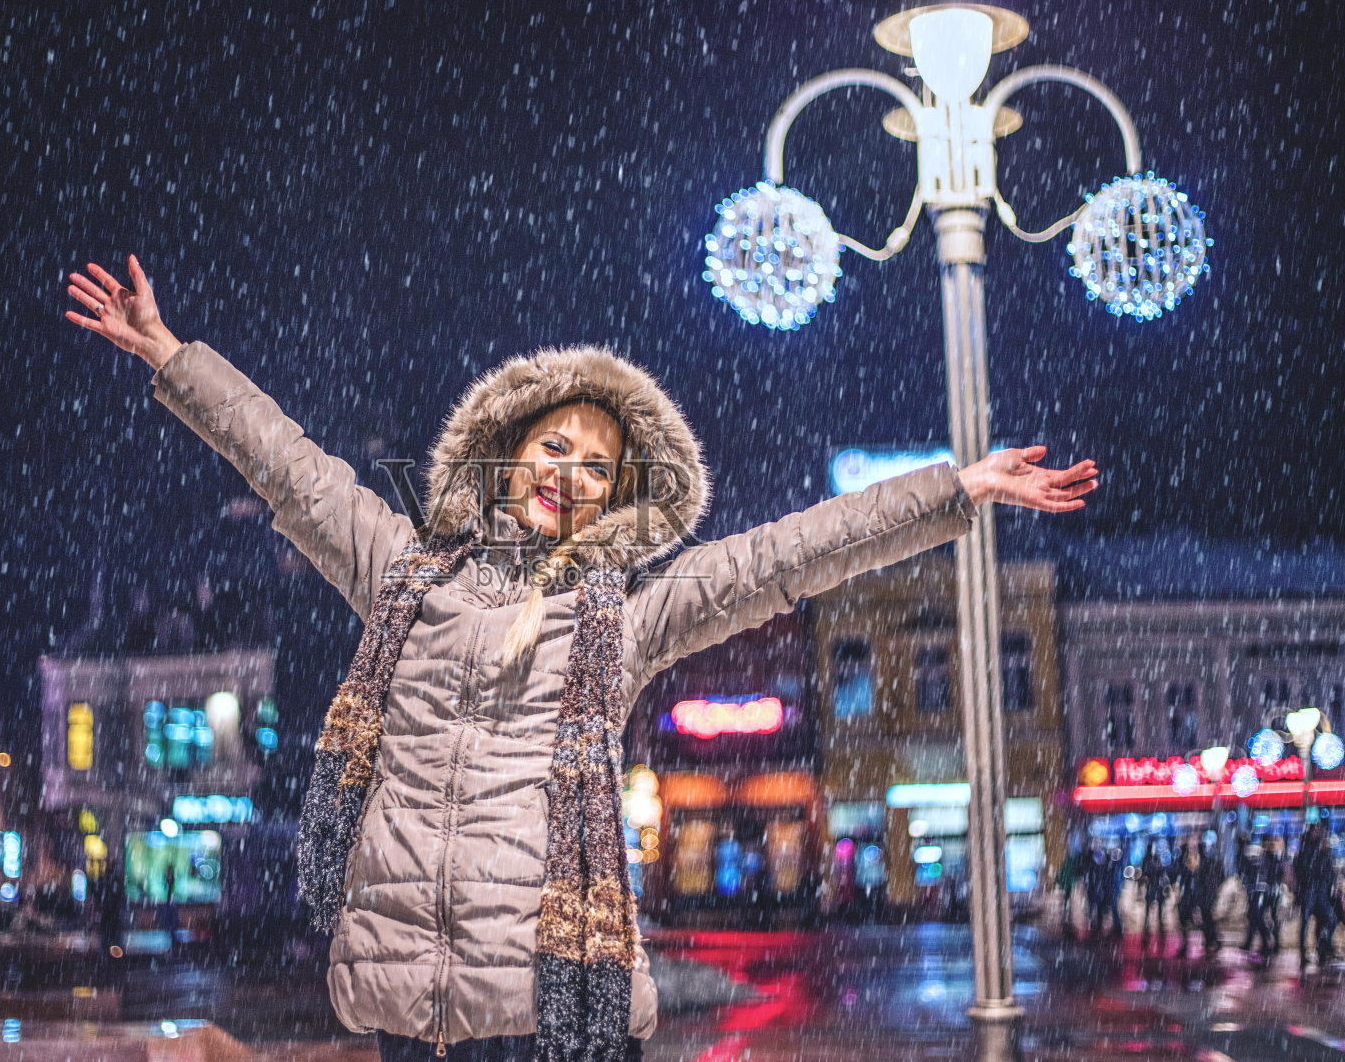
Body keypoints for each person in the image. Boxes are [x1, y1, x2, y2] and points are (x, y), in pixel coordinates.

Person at [64, 255, 1098, 1062]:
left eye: (597, 467)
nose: (569, 473)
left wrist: (953, 488)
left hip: (543, 998)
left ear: (615, 498)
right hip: (400, 985)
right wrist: (169, 353)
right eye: (555, 446)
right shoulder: (402, 573)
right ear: (509, 449)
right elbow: (289, 467)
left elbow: (788, 555)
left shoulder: (627, 618)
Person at [1295, 822, 1337, 966]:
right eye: (1315, 830)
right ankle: (1304, 953)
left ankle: (1321, 947)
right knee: (1306, 923)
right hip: (1309, 891)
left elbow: (1328, 871)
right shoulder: (1307, 850)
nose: (1317, 833)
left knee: (1328, 919)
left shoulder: (1322, 850)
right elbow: (1302, 871)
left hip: (1319, 892)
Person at [1239, 839, 1277, 957]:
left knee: (1257, 918)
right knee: (1253, 919)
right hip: (1256, 893)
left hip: (1260, 893)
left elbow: (1265, 879)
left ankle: (1264, 943)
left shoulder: (1264, 863)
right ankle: (1258, 944)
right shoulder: (1256, 864)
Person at [1140, 842, 1170, 945]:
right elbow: (1146, 874)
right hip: (1153, 887)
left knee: (1157, 909)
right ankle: (1148, 930)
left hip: (1156, 887)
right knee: (1150, 909)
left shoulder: (1155, 860)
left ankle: (1155, 930)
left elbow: (1162, 872)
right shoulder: (1149, 860)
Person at [1174, 839, 1200, 954]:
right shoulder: (1183, 863)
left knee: (1190, 921)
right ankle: (1185, 943)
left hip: (1190, 895)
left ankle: (1188, 943)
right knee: (1184, 921)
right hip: (1185, 896)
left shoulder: (1195, 861)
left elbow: (1193, 874)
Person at [1055, 846, 1084, 938]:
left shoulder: (1067, 863)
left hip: (1068, 890)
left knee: (1068, 907)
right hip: (1071, 889)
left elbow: (1059, 877)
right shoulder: (1074, 863)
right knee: (1071, 907)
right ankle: (1070, 924)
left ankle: (1068, 924)